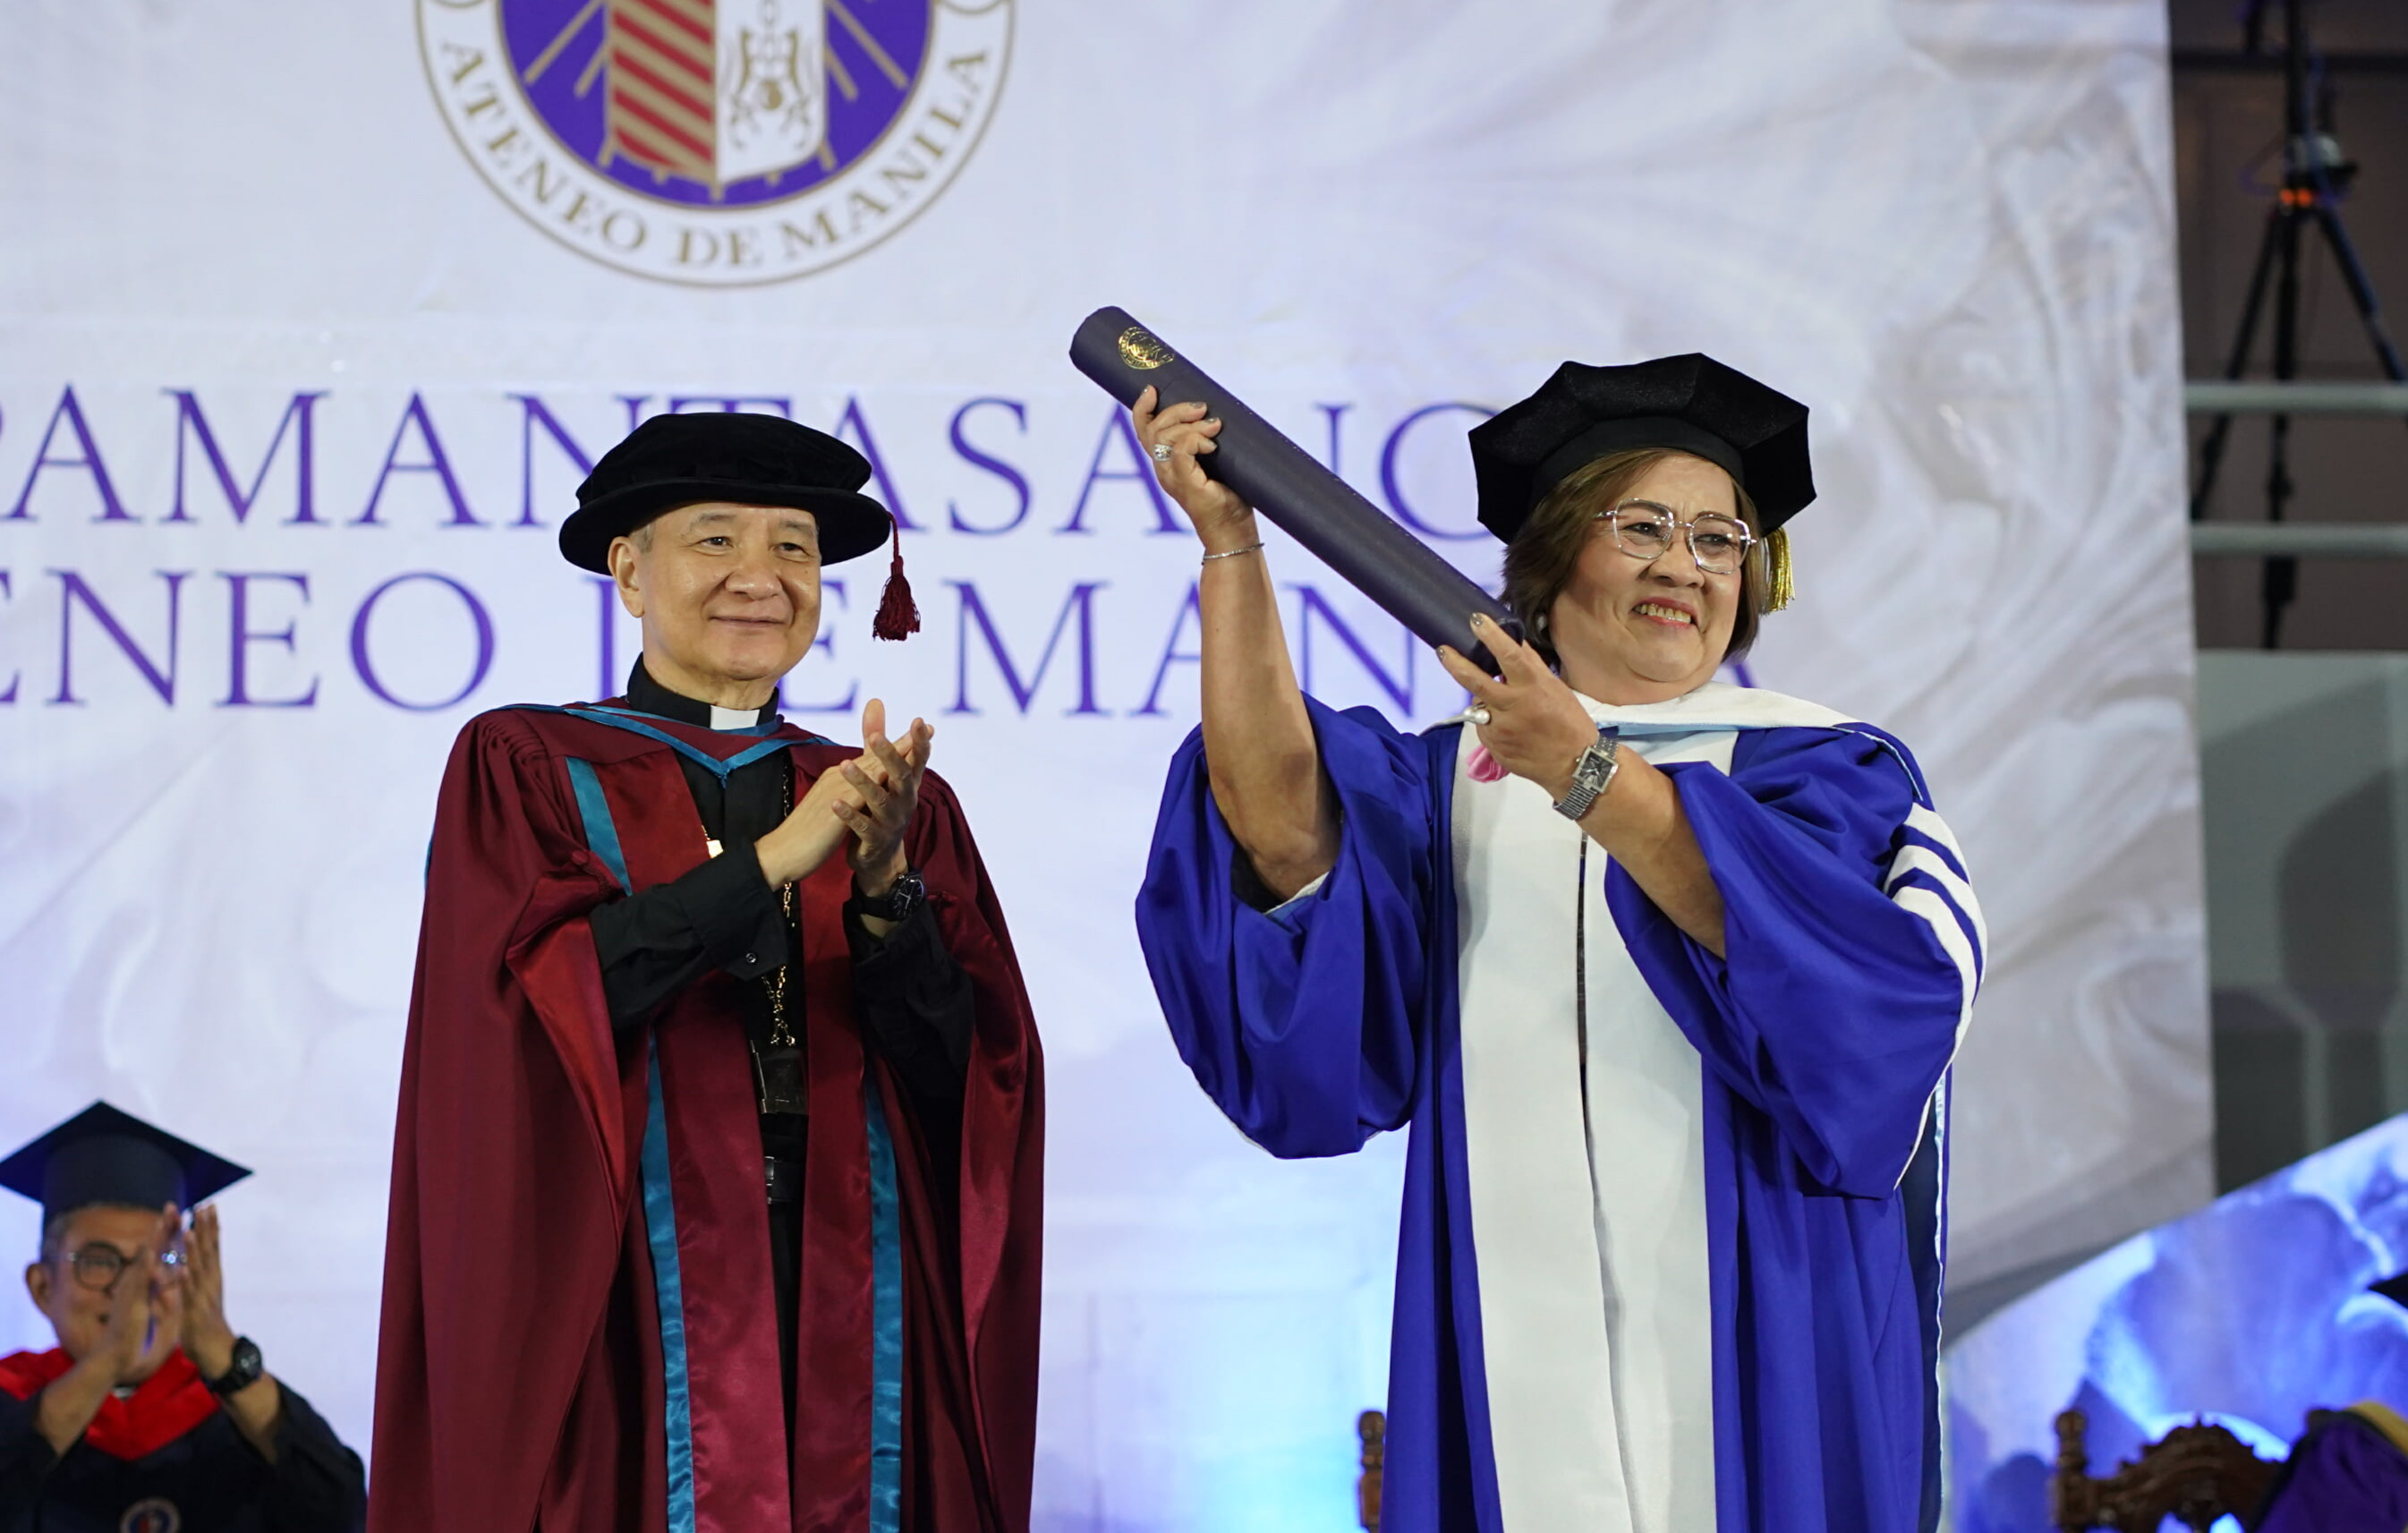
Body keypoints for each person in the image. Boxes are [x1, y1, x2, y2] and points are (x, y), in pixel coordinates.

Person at [1131, 354, 1984, 1533]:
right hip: (1510, 1332)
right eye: (1640, 525)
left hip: (1762, 1343)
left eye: (1718, 537)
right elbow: (1276, 831)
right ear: (1554, 557)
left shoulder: (1829, 773)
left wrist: (1586, 773)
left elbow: (1873, 1014)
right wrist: (1230, 551)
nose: (1683, 563)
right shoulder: (1444, 782)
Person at [368, 413, 1044, 1533]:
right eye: (716, 540)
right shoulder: (527, 762)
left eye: (793, 547)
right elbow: (541, 1003)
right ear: (629, 572)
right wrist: (776, 863)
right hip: (627, 1286)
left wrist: (885, 888)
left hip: (847, 1270)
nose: (760, 577)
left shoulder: (880, 796)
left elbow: (962, 1079)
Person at [0, 1101, 366, 1532]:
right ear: (43, 1286)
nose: (130, 1288)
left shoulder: (239, 1415)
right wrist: (107, 1360)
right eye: (99, 1261)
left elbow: (344, 1517)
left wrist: (229, 1362)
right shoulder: (14, 1398)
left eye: (160, 1259)